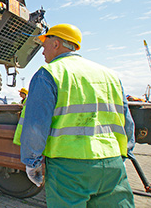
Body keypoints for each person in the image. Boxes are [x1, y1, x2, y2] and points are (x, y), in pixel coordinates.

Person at [20, 23, 135, 207]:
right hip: (112, 164)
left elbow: (35, 126)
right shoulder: (109, 74)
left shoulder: (49, 74)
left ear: (56, 44)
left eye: (44, 46)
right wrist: (124, 154)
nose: (42, 52)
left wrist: (31, 162)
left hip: (69, 168)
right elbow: (126, 121)